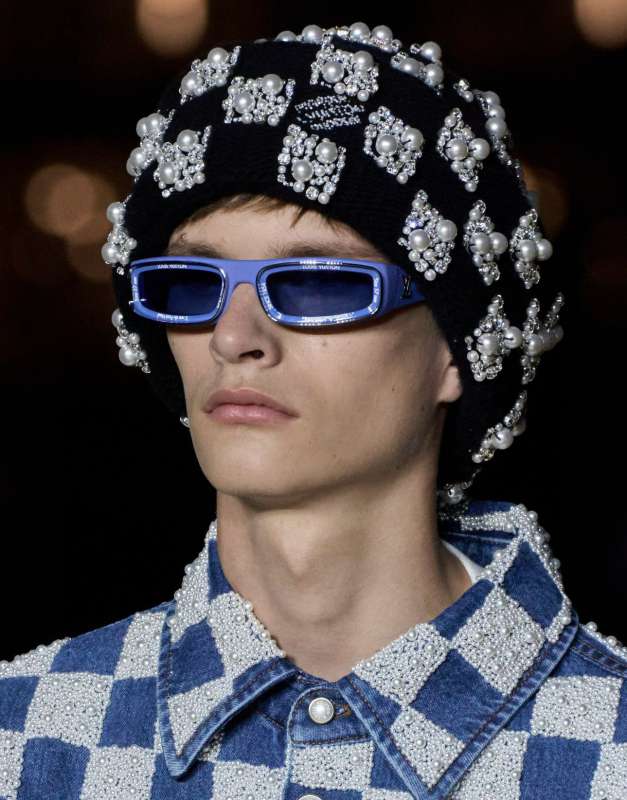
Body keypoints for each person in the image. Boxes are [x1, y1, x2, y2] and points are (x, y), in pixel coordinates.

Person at [1, 21, 625, 799]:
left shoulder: (608, 751)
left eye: (320, 284)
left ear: (456, 351)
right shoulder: (27, 738)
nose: (234, 337)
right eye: (192, 284)